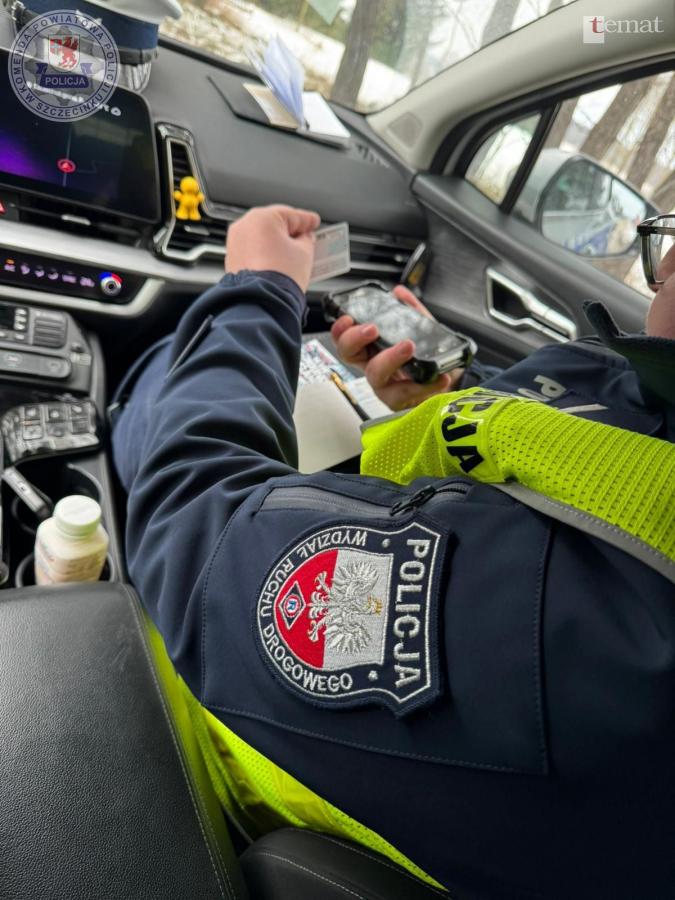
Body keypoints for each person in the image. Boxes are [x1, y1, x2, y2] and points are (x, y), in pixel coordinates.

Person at [111, 204, 675, 900]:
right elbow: (585, 451)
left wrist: (257, 289)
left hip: (189, 749)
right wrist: (450, 398)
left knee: (148, 384)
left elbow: (189, 524)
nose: (665, 263)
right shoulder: (646, 382)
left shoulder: (605, 632)